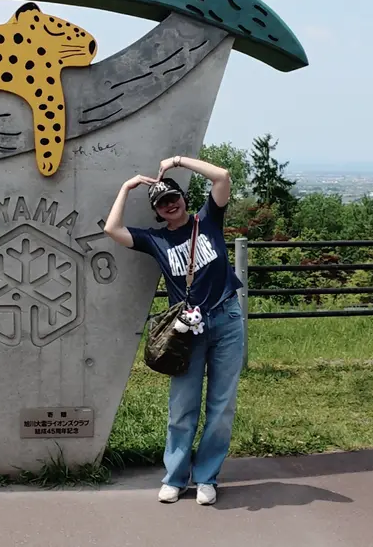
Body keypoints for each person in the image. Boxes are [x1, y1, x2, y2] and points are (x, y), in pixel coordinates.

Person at [103, 155, 245, 506]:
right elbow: (112, 229)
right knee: (183, 405)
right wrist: (127, 186)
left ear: (183, 197)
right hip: (187, 330)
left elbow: (223, 177)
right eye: (162, 202)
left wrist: (180, 161)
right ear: (157, 210)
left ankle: (207, 477)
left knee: (222, 405)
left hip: (226, 319)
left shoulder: (207, 220)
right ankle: (176, 476)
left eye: (173, 197)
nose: (170, 205)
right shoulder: (155, 240)